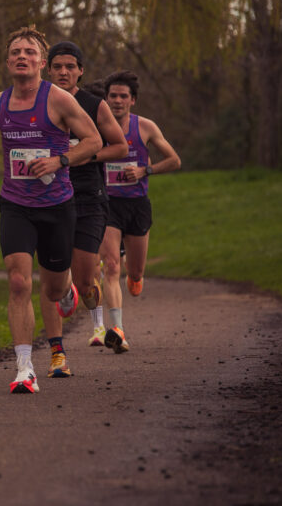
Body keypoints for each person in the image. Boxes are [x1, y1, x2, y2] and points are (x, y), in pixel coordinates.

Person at [0, 26, 101, 394]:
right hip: (15, 205)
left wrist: (60, 161)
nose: (22, 56)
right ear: (8, 62)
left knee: (53, 290)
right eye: (15, 53)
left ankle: (68, 285)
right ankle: (25, 367)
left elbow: (94, 141)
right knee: (19, 281)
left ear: (41, 61)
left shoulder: (59, 101)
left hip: (57, 205)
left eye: (29, 52)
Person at [43, 43, 128, 376]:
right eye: (58, 66)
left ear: (80, 71)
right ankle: (57, 354)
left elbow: (120, 146)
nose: (64, 72)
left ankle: (81, 295)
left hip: (87, 196)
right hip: (47, 196)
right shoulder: (39, 103)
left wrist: (85, 154)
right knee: (51, 278)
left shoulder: (95, 105)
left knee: (84, 276)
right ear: (48, 70)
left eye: (70, 66)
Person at [99, 70, 181, 354]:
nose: (117, 101)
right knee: (110, 267)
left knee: (133, 276)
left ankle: (135, 276)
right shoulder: (96, 128)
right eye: (113, 96)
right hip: (107, 204)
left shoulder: (145, 127)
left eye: (123, 96)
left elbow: (174, 160)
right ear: (105, 99)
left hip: (137, 206)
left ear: (133, 100)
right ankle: (118, 331)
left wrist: (146, 170)